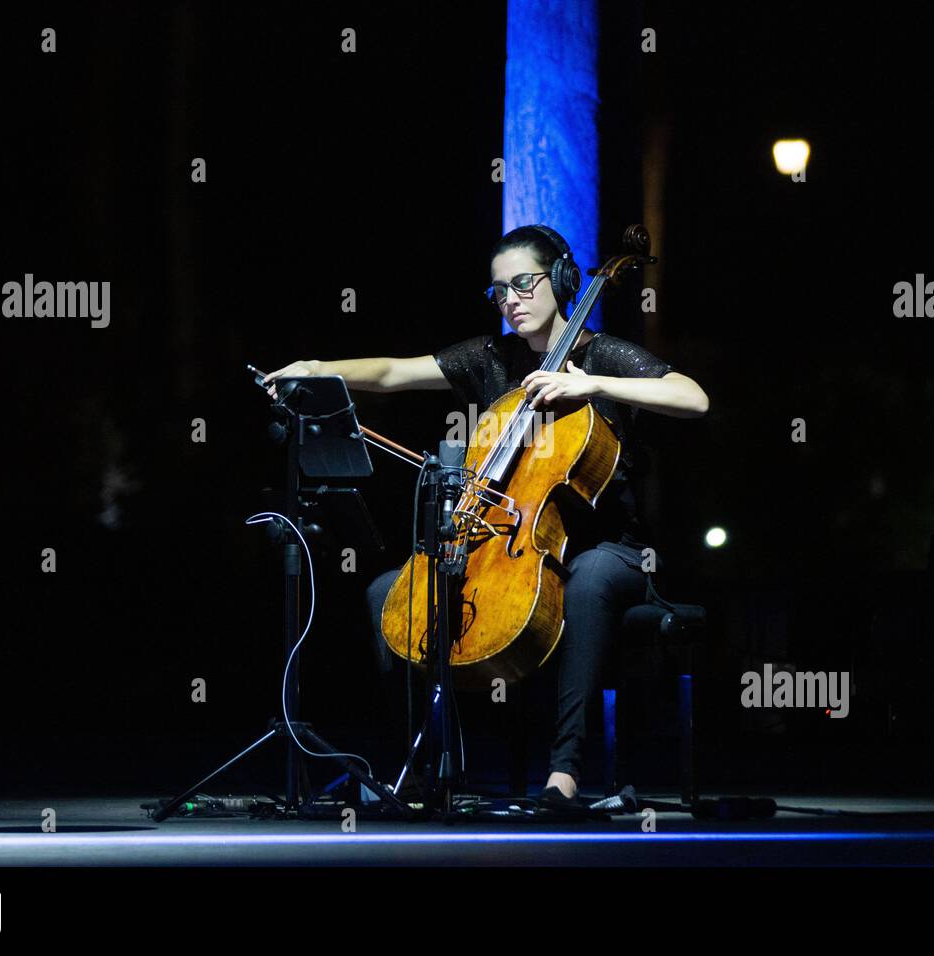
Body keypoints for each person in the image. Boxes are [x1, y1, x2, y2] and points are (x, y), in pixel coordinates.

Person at [262, 224, 708, 802]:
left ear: (563, 279)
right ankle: (416, 769)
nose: (511, 301)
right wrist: (320, 368)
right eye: (500, 291)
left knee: (591, 578)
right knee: (385, 594)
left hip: (612, 550)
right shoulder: (490, 357)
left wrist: (595, 385)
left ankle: (565, 774)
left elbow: (693, 397)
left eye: (524, 283)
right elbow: (397, 372)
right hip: (511, 544)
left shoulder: (601, 355)